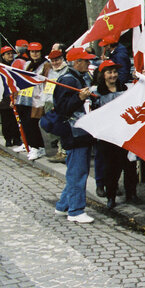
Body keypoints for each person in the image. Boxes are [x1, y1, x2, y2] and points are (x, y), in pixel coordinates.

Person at [54, 47, 97, 223]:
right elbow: (61, 108)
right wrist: (79, 98)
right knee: (77, 173)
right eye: (86, 61)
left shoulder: (79, 78)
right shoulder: (67, 80)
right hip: (74, 134)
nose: (89, 63)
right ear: (76, 62)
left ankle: (63, 206)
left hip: (80, 132)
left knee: (77, 171)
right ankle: (76, 211)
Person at [91, 60, 141, 209]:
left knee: (130, 166)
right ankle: (110, 196)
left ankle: (131, 194)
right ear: (103, 74)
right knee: (111, 169)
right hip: (108, 136)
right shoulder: (96, 92)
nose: (113, 75)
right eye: (109, 72)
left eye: (114, 72)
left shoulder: (124, 88)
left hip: (125, 133)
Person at [14, 42, 48, 160]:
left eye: (37, 51)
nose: (34, 54)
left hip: (37, 98)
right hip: (24, 97)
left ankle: (37, 147)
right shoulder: (28, 64)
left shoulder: (45, 65)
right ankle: (28, 143)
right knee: (24, 122)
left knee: (32, 122)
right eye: (32, 51)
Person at [39, 48, 69, 162]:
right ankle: (59, 150)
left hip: (58, 102)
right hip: (48, 101)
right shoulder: (51, 70)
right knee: (52, 127)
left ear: (62, 59)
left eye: (57, 60)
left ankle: (63, 152)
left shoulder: (66, 70)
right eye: (53, 60)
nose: (55, 63)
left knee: (60, 126)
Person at [0, 46, 22, 148]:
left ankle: (17, 138)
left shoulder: (15, 65)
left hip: (15, 95)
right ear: (3, 56)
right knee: (6, 119)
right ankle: (8, 139)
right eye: (7, 54)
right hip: (4, 96)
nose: (10, 55)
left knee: (15, 119)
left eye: (11, 53)